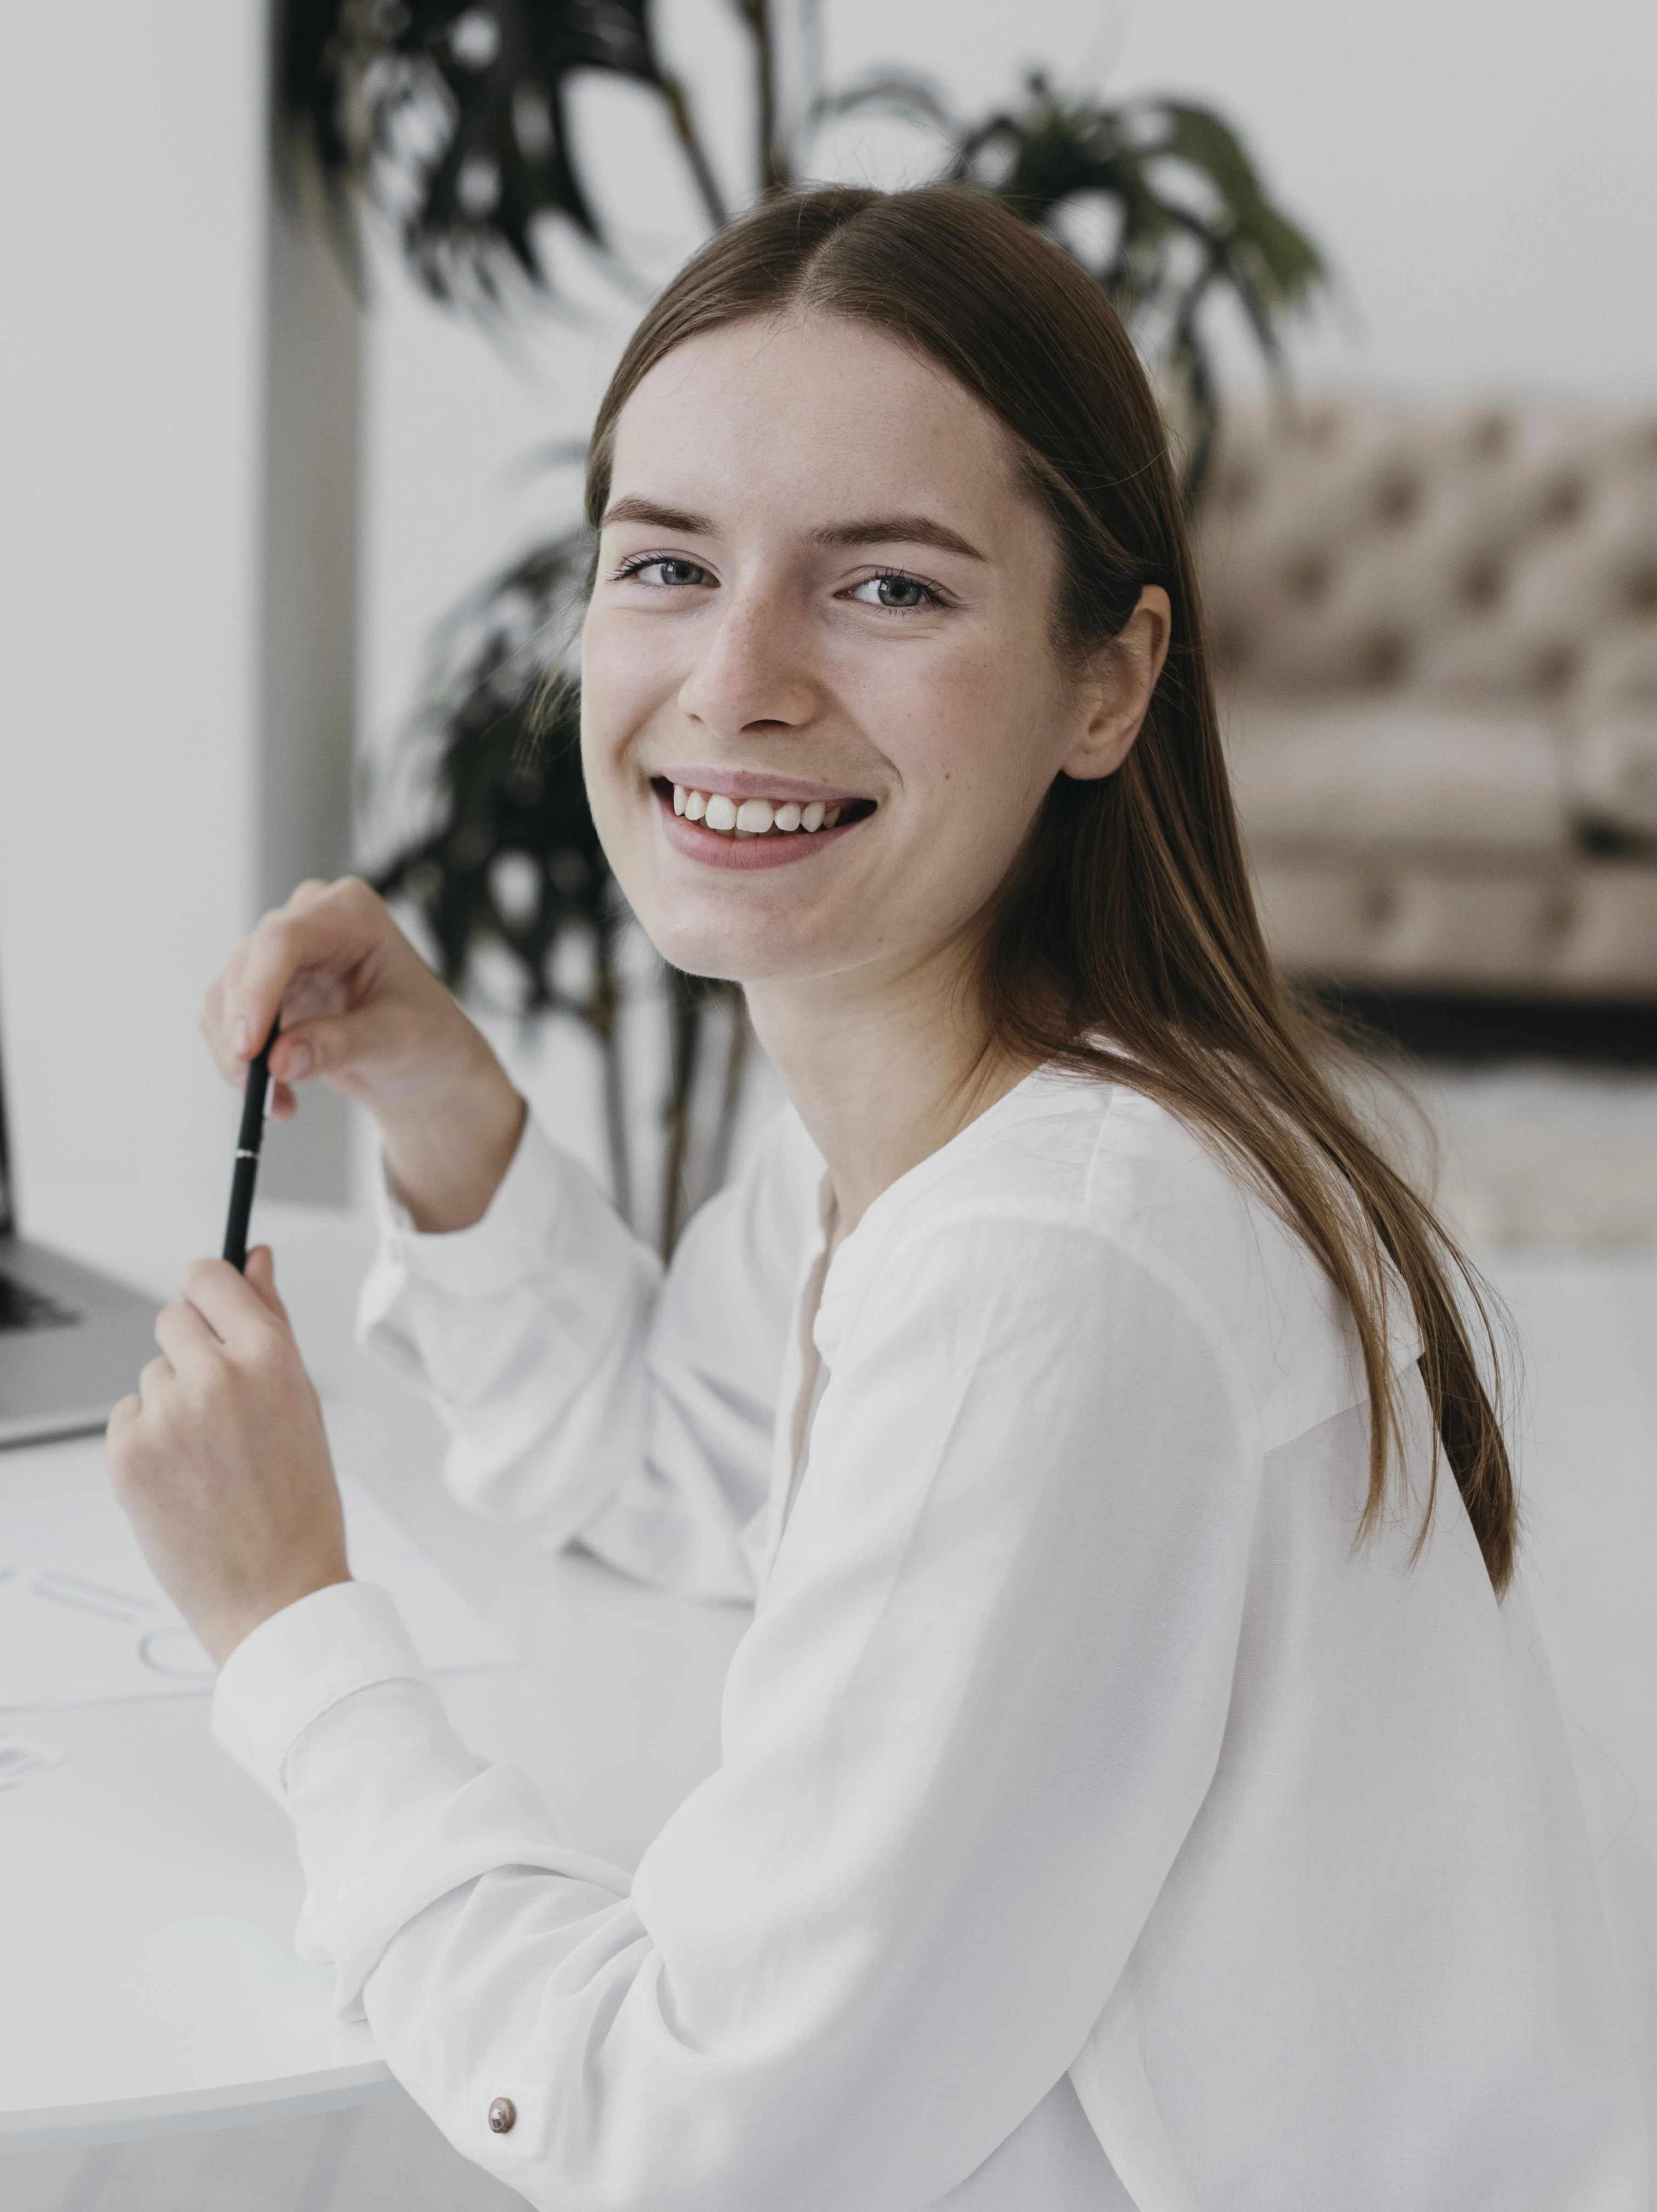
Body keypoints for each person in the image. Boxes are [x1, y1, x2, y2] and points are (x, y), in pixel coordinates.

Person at [103, 185, 1647, 2209]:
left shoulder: (1056, 1269)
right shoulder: (948, 1115)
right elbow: (685, 1469)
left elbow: (690, 2139)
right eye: (664, 563)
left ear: (1107, 683)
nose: (733, 679)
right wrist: (447, 1110)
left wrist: (290, 1628)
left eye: (886, 590)